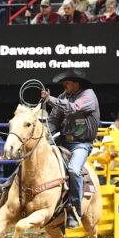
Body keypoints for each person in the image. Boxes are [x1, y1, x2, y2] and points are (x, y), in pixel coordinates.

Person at [42, 69, 100, 229]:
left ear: (76, 83)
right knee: (34, 155)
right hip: (63, 140)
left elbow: (73, 108)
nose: (64, 84)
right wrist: (45, 131)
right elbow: (54, 119)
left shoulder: (88, 96)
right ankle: (5, 192)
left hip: (82, 144)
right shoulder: (63, 97)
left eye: (67, 82)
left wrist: (50, 99)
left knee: (74, 169)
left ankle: (75, 211)